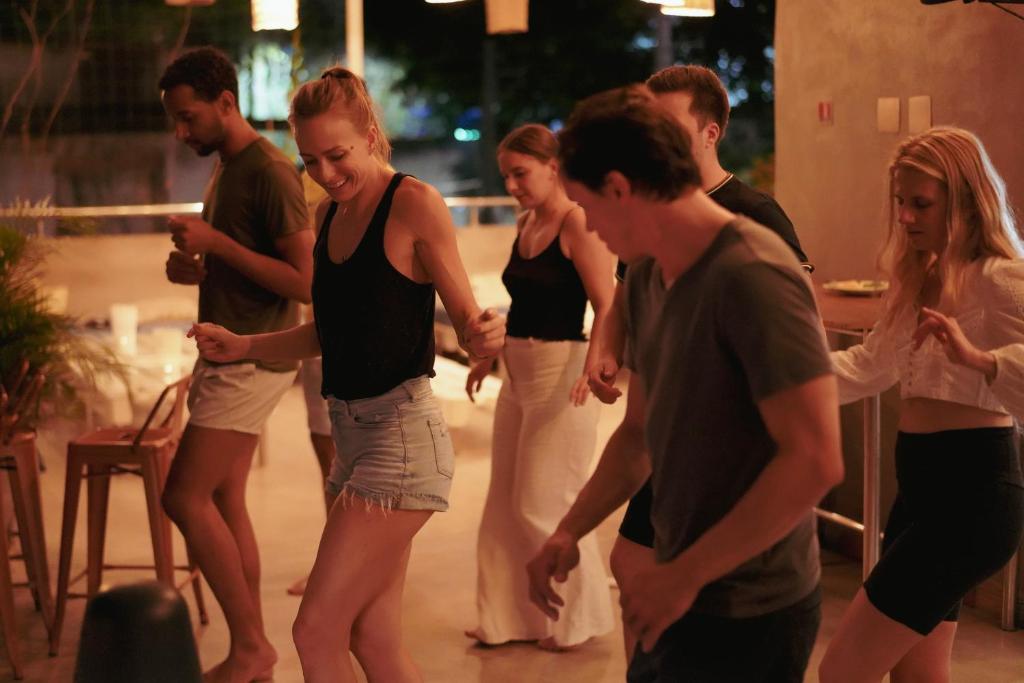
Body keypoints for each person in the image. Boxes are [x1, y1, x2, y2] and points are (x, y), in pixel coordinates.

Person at [189, 66, 505, 683]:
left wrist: (485, 335)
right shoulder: (328, 214)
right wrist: (243, 344)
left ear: (371, 135)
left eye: (337, 155)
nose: (326, 173)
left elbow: (469, 321)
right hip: (353, 442)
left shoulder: (413, 203)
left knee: (315, 631)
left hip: (401, 441)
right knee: (373, 636)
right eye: (310, 160)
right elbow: (329, 335)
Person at [525, 85, 844, 683]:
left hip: (753, 607)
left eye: (587, 207)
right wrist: (569, 531)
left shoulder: (753, 274)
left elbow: (816, 460)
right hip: (676, 585)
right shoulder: (648, 275)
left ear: (619, 189)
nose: (590, 228)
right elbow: (638, 435)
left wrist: (685, 575)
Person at [586, 64, 811, 664]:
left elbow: (811, 441)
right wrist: (606, 347)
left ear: (710, 133)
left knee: (657, 572)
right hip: (672, 444)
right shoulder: (648, 230)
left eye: (668, 127)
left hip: (729, 465)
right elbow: (624, 294)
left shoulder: (753, 223)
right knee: (631, 562)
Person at [819, 127, 1024, 683]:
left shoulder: (1002, 279)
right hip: (921, 494)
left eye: (922, 204)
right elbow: (871, 365)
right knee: (917, 677)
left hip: (974, 498)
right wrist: (779, 375)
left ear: (965, 201)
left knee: (842, 671)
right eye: (900, 202)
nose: (906, 217)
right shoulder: (920, 276)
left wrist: (981, 359)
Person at [158, 46, 314, 683]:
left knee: (183, 496)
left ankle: (251, 647)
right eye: (175, 119)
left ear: (226, 102)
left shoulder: (270, 171)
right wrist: (194, 267)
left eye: (188, 117)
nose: (181, 132)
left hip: (251, 356)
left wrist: (217, 243)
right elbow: (240, 260)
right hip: (233, 350)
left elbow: (306, 282)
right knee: (223, 500)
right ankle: (253, 655)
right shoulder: (228, 167)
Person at [464, 124, 616, 651]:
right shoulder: (527, 221)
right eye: (506, 176)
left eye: (520, 174)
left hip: (562, 369)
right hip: (519, 369)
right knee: (504, 501)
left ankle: (577, 619)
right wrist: (490, 355)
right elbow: (525, 304)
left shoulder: (578, 222)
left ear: (554, 168)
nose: (511, 186)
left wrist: (593, 367)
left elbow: (607, 304)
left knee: (544, 500)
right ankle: (509, 619)